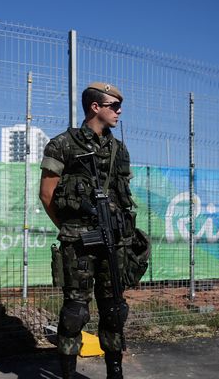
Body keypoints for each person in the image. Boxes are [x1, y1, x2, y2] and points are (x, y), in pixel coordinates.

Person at [39, 82, 135, 379]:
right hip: (78, 243)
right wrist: (70, 229)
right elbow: (47, 194)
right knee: (75, 312)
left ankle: (115, 371)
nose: (119, 112)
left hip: (113, 242)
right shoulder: (62, 144)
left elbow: (124, 194)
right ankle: (68, 373)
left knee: (114, 309)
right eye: (114, 106)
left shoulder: (119, 149)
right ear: (96, 107)